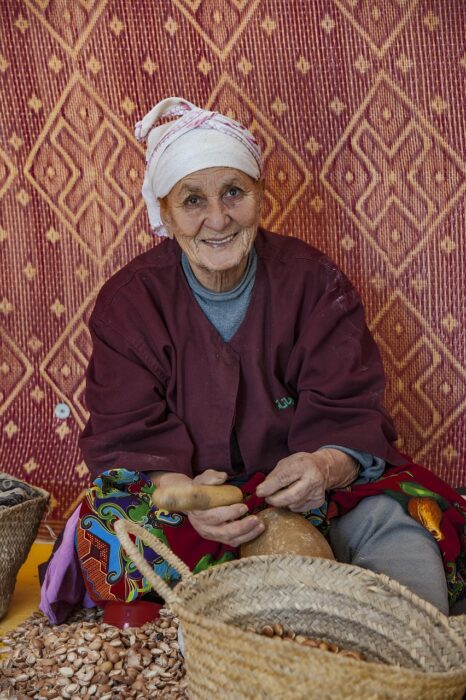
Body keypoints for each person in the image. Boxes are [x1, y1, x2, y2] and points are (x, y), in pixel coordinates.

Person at [40, 98, 466, 624]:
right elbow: (126, 428)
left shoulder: (314, 283)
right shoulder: (129, 302)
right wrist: (184, 497)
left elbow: (350, 406)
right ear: (165, 213)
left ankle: (405, 651)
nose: (217, 219)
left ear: (261, 197)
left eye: (234, 193)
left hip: (312, 492)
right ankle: (224, 626)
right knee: (106, 529)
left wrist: (323, 466)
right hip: (192, 498)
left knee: (408, 518)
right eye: (192, 200)